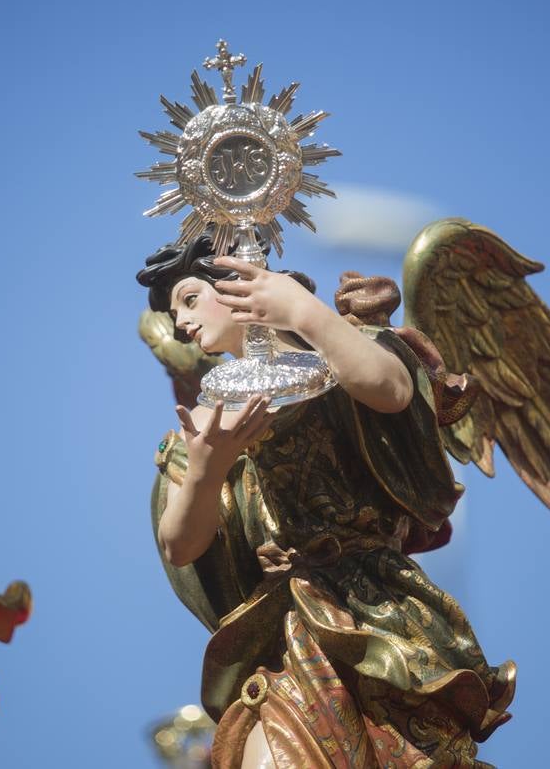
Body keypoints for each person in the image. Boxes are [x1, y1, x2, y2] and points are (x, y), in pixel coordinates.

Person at [137, 233, 515, 769]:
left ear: (241, 284)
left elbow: (391, 388)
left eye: (190, 299)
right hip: (287, 630)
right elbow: (180, 544)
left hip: (382, 612)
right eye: (175, 312)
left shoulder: (339, 357)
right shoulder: (204, 420)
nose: (180, 325)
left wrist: (304, 312)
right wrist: (206, 468)